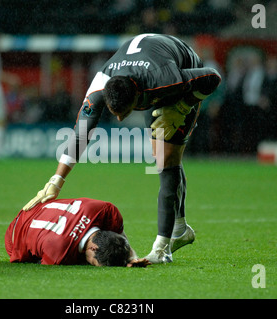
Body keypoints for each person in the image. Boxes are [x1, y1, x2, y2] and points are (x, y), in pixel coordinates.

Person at [23, 34, 221, 263]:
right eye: (113, 111)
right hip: (149, 72)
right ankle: (179, 229)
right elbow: (80, 133)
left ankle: (162, 248)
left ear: (138, 97)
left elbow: (213, 77)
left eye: (123, 112)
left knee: (166, 160)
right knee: (163, 155)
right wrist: (56, 180)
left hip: (179, 69)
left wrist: (185, 104)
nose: (118, 119)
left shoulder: (168, 79)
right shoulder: (100, 83)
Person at [5, 197, 151, 267]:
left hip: (38, 206)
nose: (91, 264)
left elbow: (119, 237)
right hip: (15, 234)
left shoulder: (105, 209)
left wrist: (132, 257)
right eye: (94, 262)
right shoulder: (59, 254)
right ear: (93, 248)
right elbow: (46, 264)